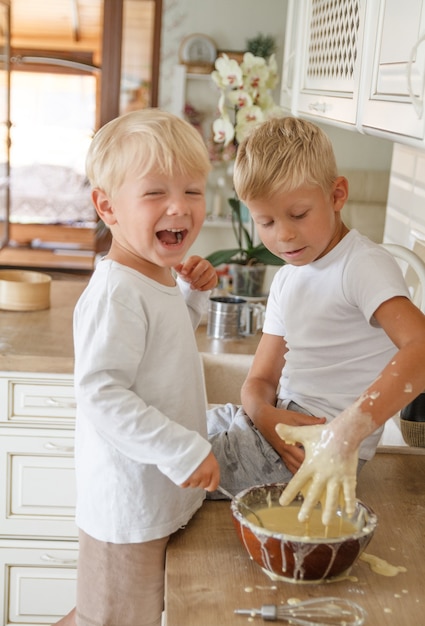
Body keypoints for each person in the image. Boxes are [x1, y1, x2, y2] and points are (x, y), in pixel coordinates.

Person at [208, 116, 425, 527]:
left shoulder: (361, 265)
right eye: (267, 222)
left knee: (168, 465)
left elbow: (421, 347)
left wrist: (347, 431)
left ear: (337, 194)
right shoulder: (289, 277)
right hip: (274, 425)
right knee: (175, 426)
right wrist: (265, 417)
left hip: (318, 446)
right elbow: (260, 381)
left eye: (299, 214)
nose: (284, 236)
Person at [55, 109, 220, 626]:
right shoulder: (118, 291)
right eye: (155, 194)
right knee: (110, 619)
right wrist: (183, 449)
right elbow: (102, 394)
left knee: (118, 614)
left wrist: (192, 297)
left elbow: (162, 350)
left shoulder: (155, 274)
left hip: (155, 495)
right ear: (107, 207)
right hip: (125, 510)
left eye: (193, 191)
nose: (180, 206)